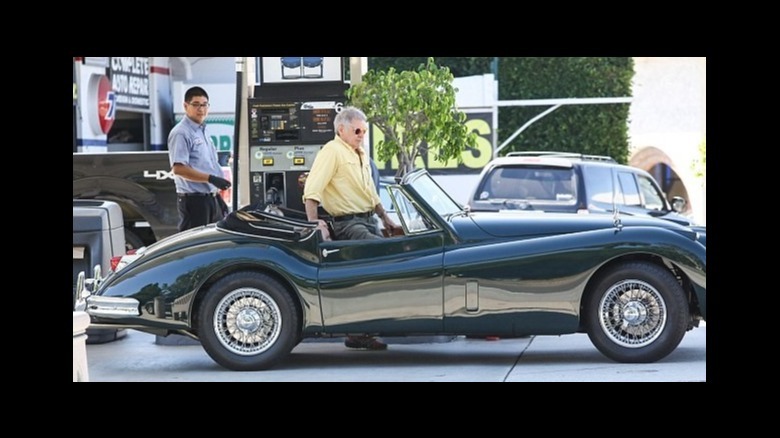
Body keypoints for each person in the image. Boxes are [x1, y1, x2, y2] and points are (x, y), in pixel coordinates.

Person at [303, 106, 399, 351]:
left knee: (370, 274)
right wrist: (315, 223)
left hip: (369, 219)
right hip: (348, 223)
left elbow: (370, 191)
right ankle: (359, 330)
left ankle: (360, 332)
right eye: (357, 130)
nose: (361, 134)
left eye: (364, 130)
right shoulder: (332, 151)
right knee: (381, 256)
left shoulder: (360, 153)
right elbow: (312, 189)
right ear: (341, 129)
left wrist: (386, 218)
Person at [168, 86, 231, 231]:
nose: (201, 109)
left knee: (214, 243)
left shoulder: (203, 130)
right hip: (194, 200)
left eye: (204, 105)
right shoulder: (181, 133)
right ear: (185, 106)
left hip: (210, 198)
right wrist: (210, 179)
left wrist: (216, 195)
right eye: (195, 104)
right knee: (195, 247)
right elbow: (178, 169)